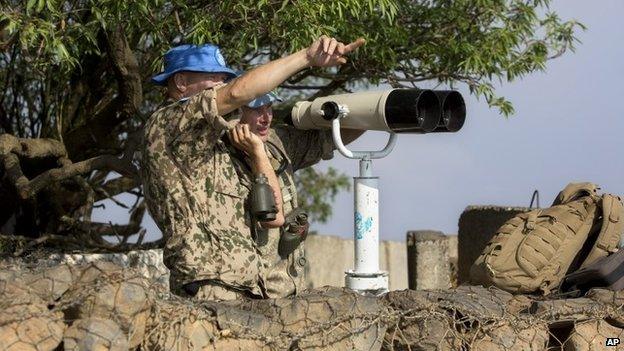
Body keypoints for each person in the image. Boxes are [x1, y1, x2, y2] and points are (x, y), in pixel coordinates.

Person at [141, 36, 365, 300]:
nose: (221, 86)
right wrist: (306, 57)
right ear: (180, 82)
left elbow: (328, 139)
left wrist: (384, 110)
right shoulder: (168, 124)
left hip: (253, 288)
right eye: (213, 78)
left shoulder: (227, 140)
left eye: (224, 79)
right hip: (209, 286)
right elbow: (237, 92)